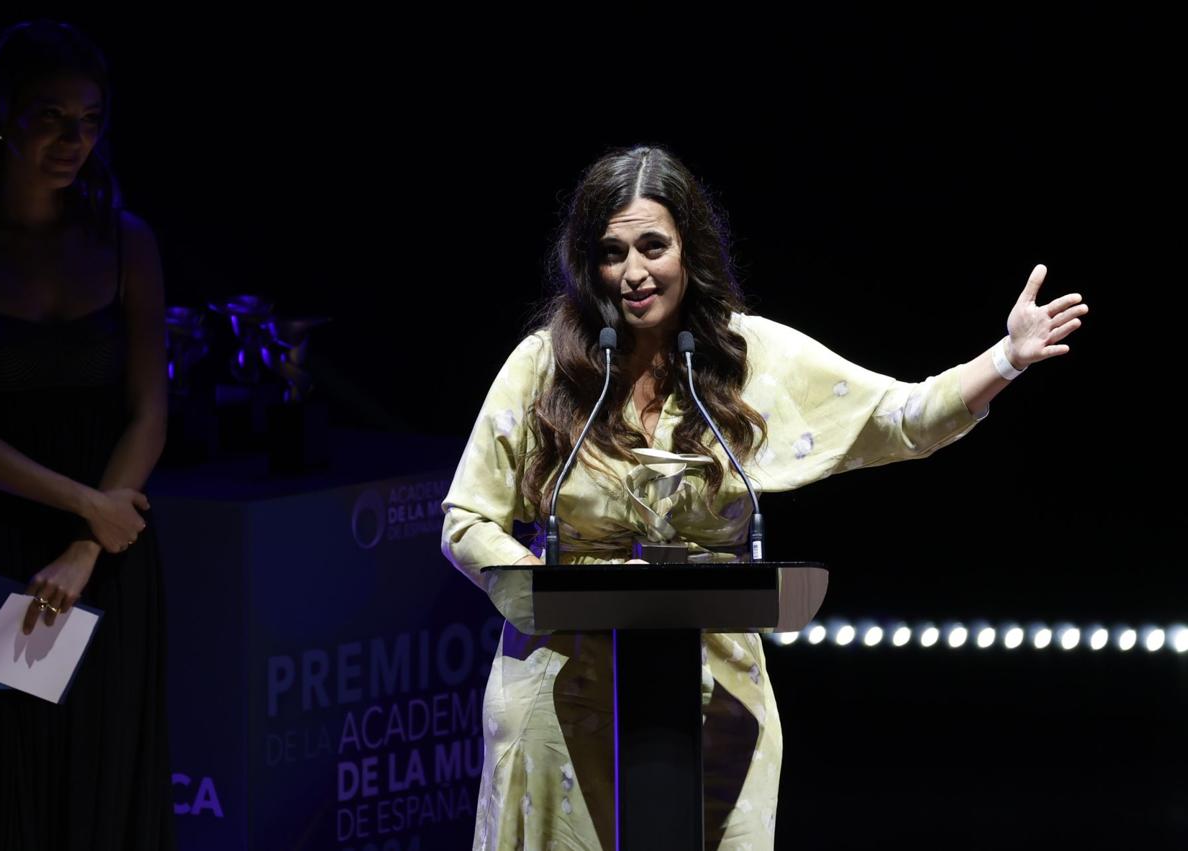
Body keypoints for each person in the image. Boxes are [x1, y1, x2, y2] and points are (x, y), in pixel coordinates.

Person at [441, 145, 1086, 850]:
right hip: (561, 694)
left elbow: (902, 418)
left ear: (688, 248)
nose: (632, 272)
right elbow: (467, 518)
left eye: (652, 246)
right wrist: (551, 587)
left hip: (714, 696)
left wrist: (1006, 358)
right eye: (611, 251)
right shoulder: (549, 366)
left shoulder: (749, 359)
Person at [0, 20, 174, 850]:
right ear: (4, 113)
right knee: (10, 764)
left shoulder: (125, 240)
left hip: (105, 550)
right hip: (8, 533)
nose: (76, 139)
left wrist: (88, 543)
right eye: (52, 116)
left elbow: (149, 408)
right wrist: (82, 508)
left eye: (91, 119)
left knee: (103, 770)